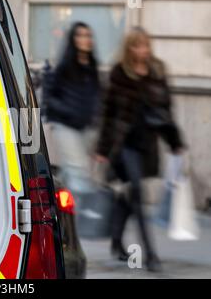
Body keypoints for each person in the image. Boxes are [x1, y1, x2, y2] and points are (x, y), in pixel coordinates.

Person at [96, 27, 184, 272]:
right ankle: (151, 254)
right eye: (137, 46)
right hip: (124, 146)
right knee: (138, 194)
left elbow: (165, 112)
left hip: (148, 146)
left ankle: (116, 242)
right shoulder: (118, 74)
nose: (142, 50)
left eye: (145, 45)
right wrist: (102, 149)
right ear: (129, 48)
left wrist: (174, 142)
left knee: (129, 195)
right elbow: (108, 113)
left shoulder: (157, 71)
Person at [43, 22, 101, 192]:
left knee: (72, 173)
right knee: (79, 172)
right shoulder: (64, 67)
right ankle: (81, 215)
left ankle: (58, 208)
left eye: (88, 35)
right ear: (73, 40)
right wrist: (69, 111)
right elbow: (48, 98)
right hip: (65, 126)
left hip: (86, 128)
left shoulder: (92, 68)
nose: (85, 39)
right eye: (80, 35)